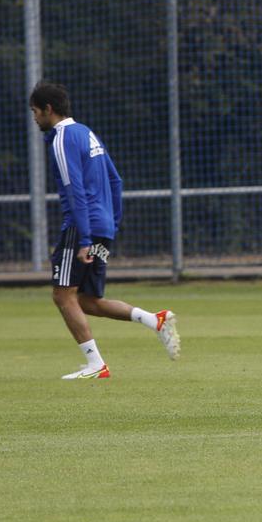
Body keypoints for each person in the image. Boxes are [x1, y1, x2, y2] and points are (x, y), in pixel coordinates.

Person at [28, 82, 179, 380]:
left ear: (48, 109)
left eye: (34, 111)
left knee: (62, 296)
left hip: (80, 227)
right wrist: (112, 222)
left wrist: (84, 238)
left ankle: (95, 364)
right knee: (87, 301)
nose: (34, 118)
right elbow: (116, 180)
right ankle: (155, 321)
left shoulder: (62, 138)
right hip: (102, 224)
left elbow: (75, 191)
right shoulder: (86, 132)